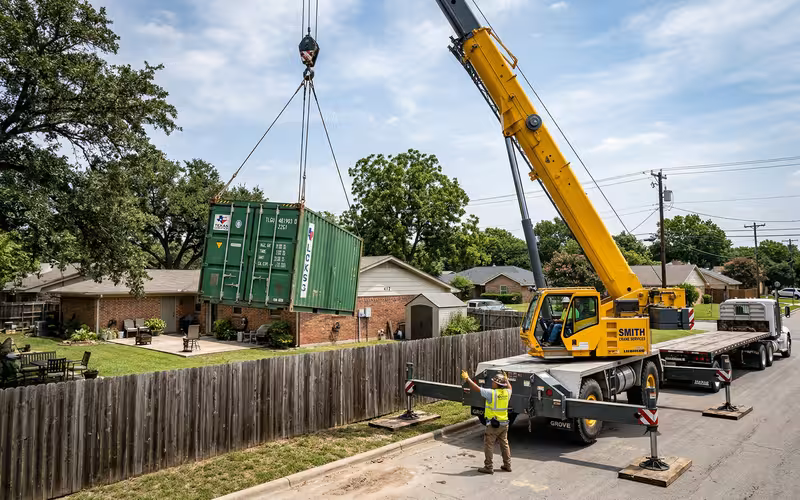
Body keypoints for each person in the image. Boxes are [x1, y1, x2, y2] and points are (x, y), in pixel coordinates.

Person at [461, 370, 512, 474]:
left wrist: (467, 379)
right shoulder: (507, 392)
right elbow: (510, 387)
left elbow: (477, 388)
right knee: (504, 444)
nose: (492, 382)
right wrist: (506, 379)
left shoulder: (491, 393)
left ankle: (488, 467)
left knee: (489, 445)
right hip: (504, 424)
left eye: (493, 381)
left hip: (493, 425)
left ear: (497, 384)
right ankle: (507, 465)